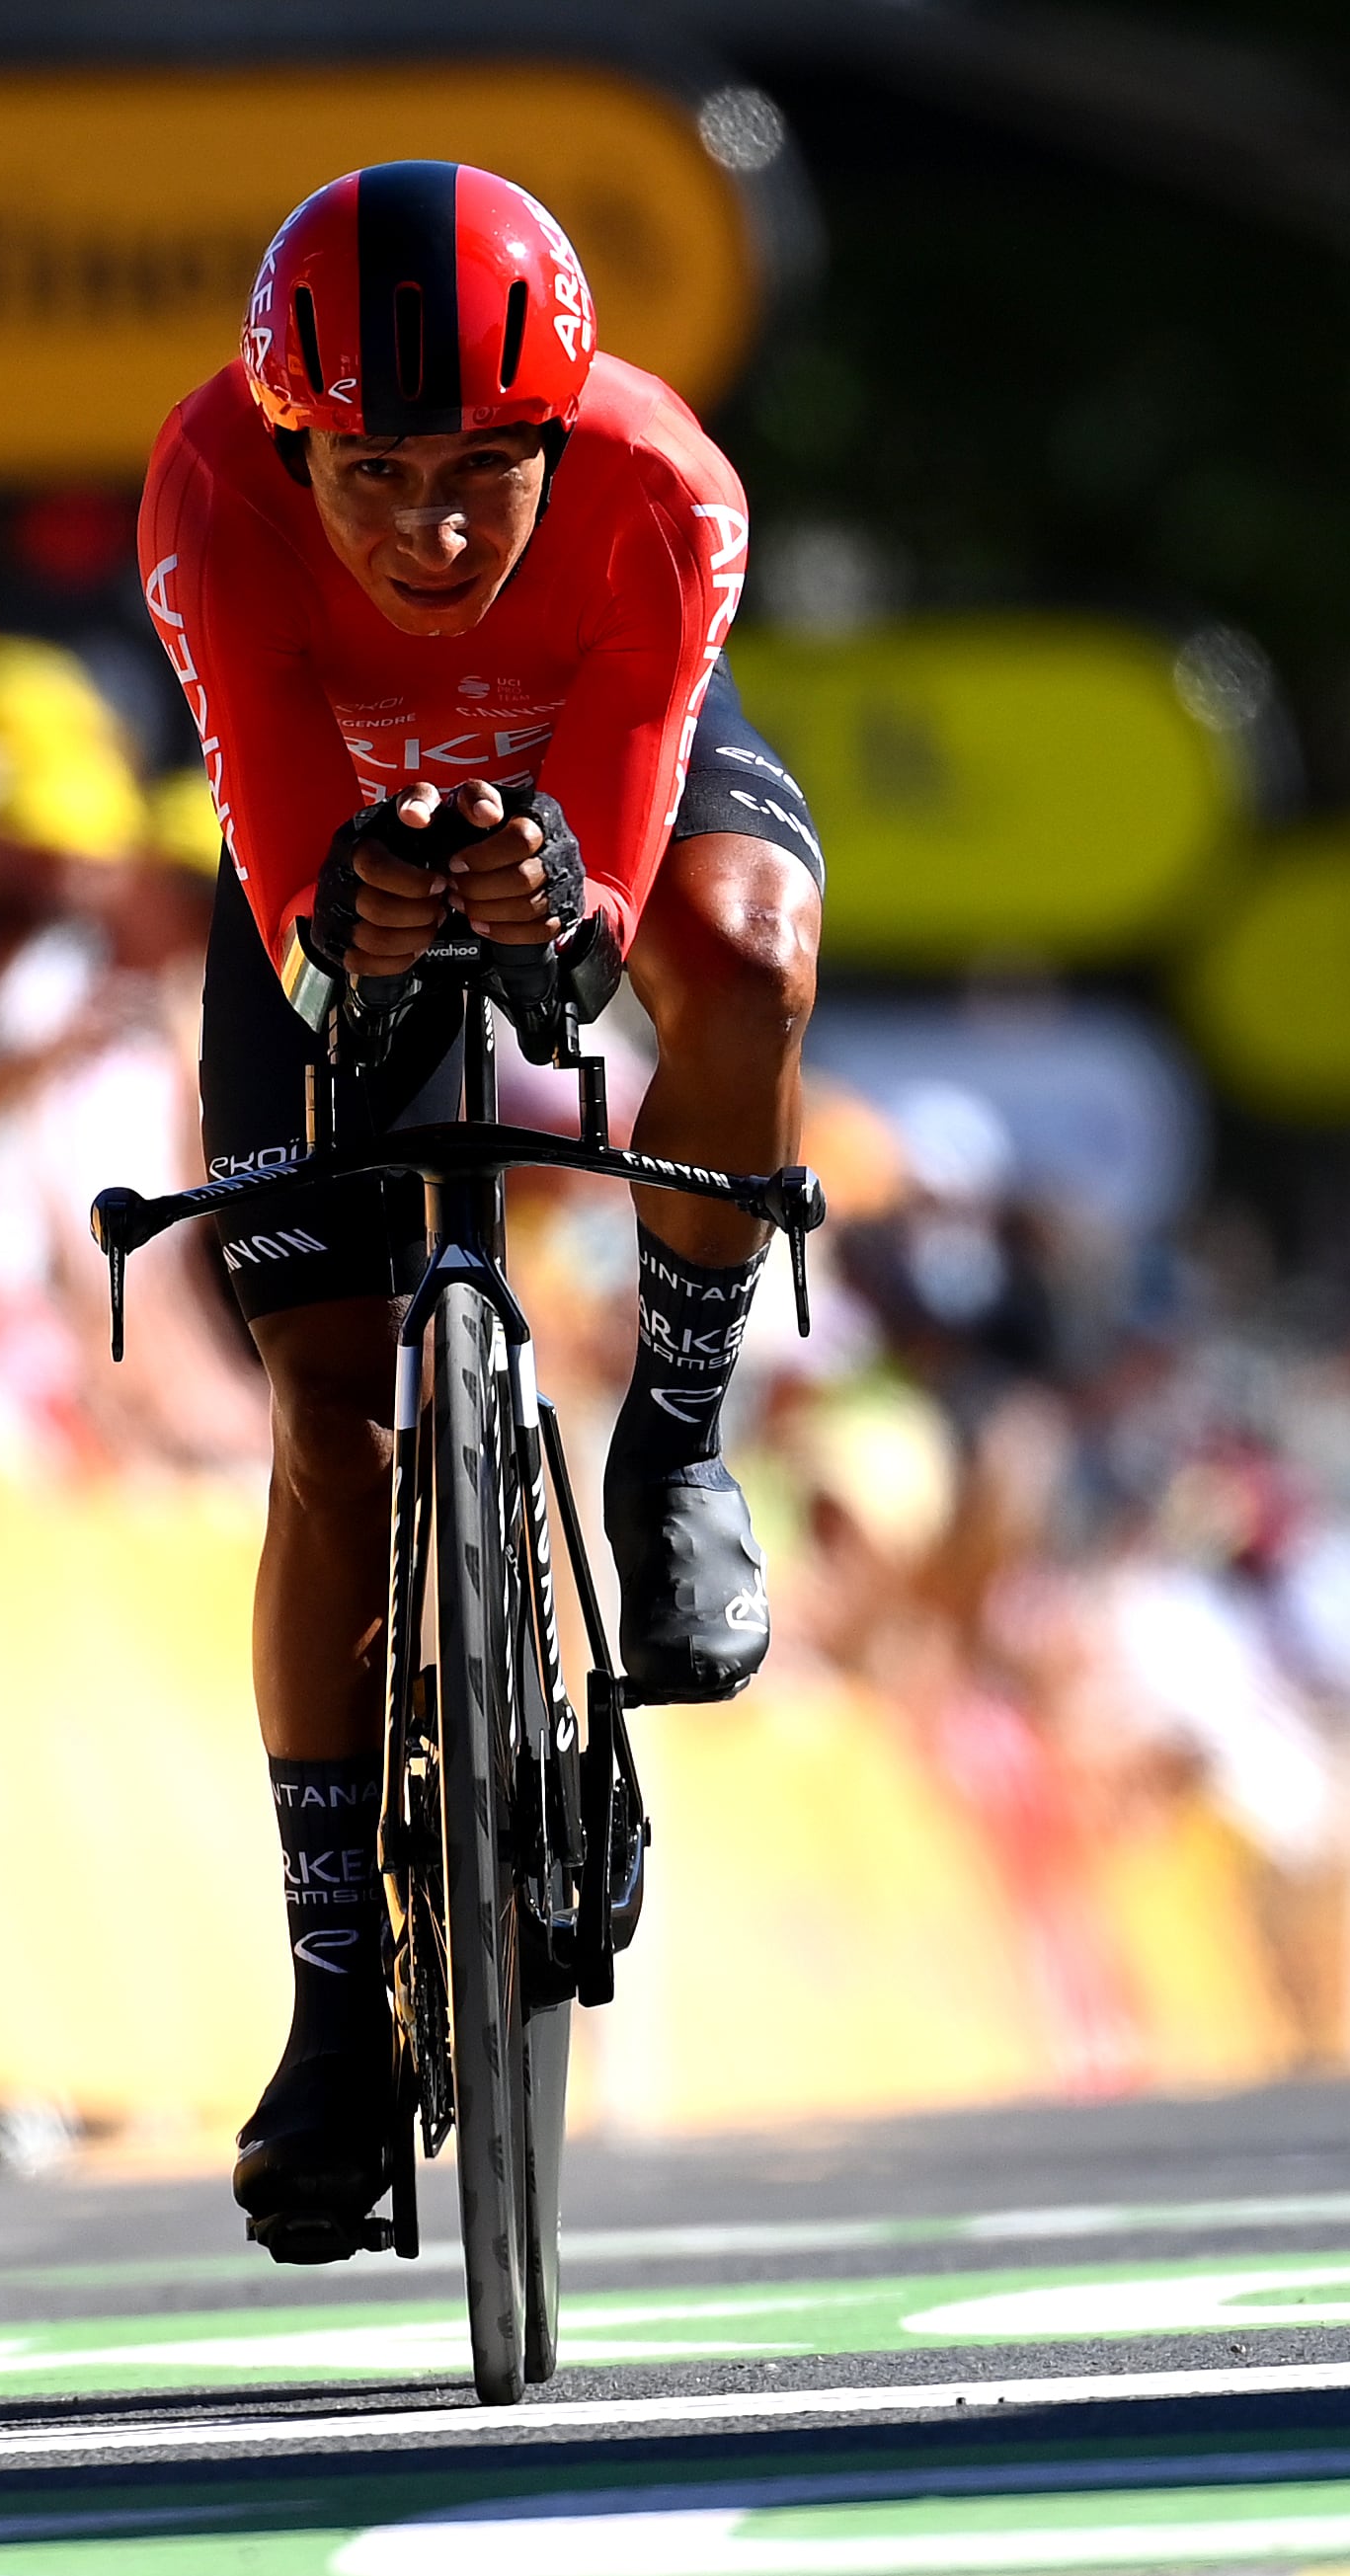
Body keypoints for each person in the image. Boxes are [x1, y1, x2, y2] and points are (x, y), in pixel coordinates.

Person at [135, 161, 824, 2251]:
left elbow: (616, 839)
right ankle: (335, 1993)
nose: (425, 534)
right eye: (368, 476)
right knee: (331, 1423)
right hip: (331, 818)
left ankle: (680, 1447)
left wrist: (577, 916)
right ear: (289, 445)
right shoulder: (204, 488)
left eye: (476, 477)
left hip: (600, 775)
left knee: (747, 958)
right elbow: (266, 799)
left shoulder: (660, 486)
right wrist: (339, 925)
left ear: (559, 436)